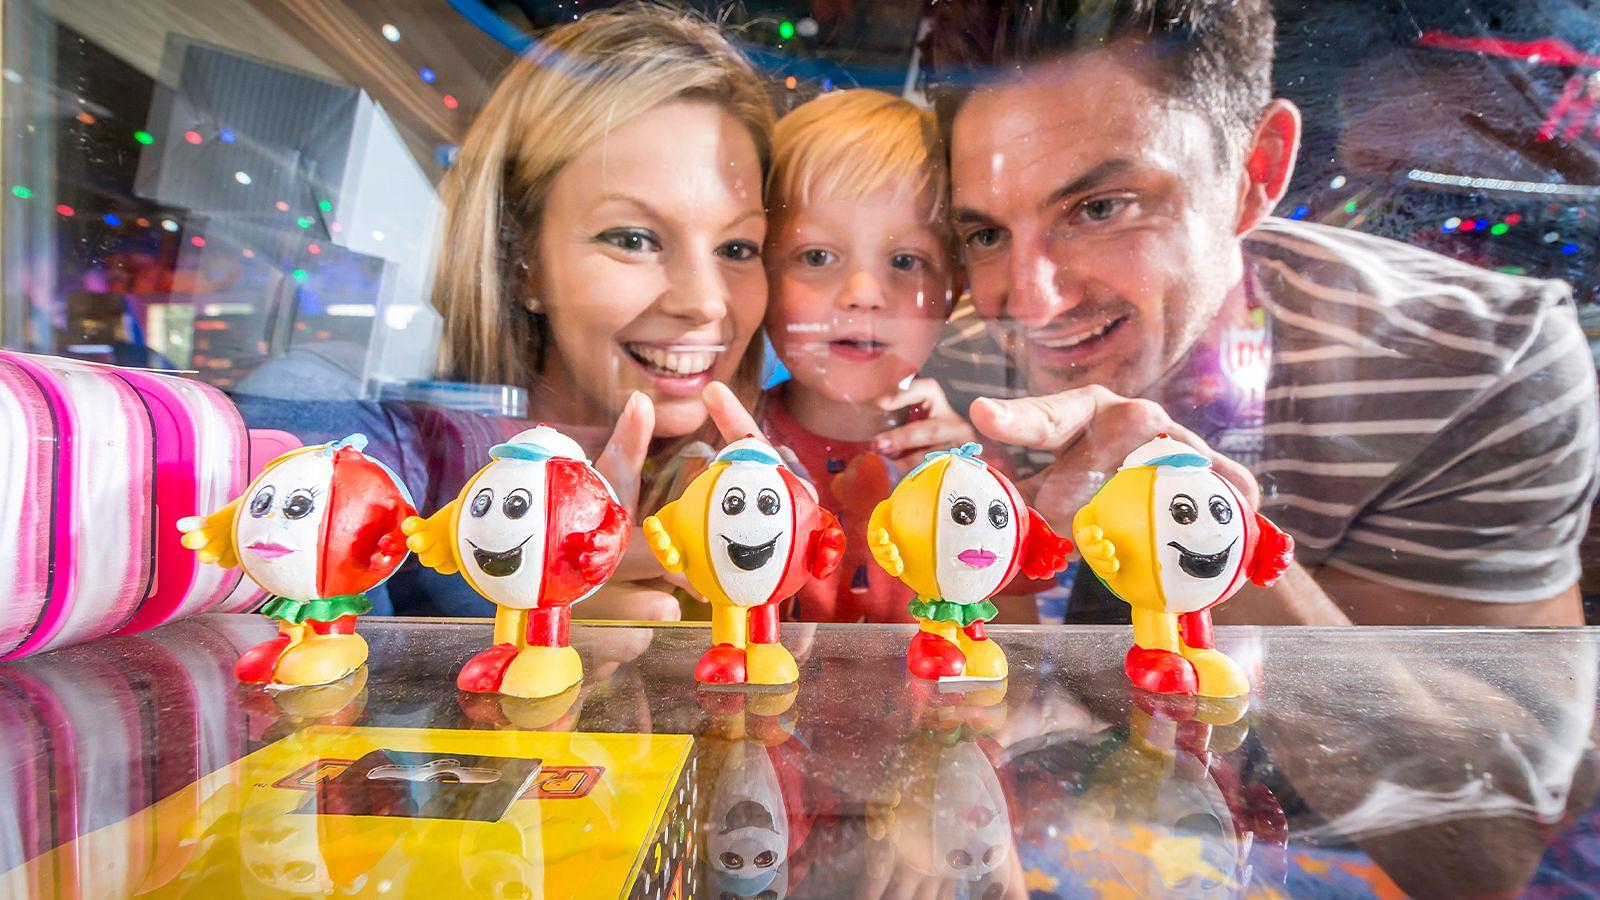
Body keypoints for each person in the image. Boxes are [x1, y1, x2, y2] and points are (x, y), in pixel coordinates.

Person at [922, 0, 1599, 625]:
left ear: (1257, 171)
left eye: (1101, 208)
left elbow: (1490, 746)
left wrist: (1212, 530)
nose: (1033, 303)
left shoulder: (1477, 364)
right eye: (985, 235)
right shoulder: (935, 359)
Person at [245, 6, 778, 620]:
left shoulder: (759, 479)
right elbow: (277, 685)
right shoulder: (357, 448)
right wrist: (518, 635)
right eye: (632, 238)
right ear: (521, 255)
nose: (705, 301)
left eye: (738, 248)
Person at [758, 89, 995, 623]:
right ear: (761, 278)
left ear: (951, 293)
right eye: (817, 256)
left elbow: (1017, 648)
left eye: (905, 260)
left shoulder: (970, 470)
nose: (864, 293)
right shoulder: (725, 448)